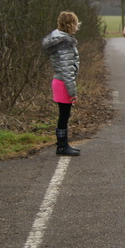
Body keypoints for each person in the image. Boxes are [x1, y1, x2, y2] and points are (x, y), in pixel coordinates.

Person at [42, 11, 82, 156]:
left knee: (63, 115)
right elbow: (67, 69)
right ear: (72, 24)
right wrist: (73, 92)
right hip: (63, 82)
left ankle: (62, 144)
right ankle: (62, 146)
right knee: (64, 116)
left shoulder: (57, 39)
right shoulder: (65, 43)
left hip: (59, 81)